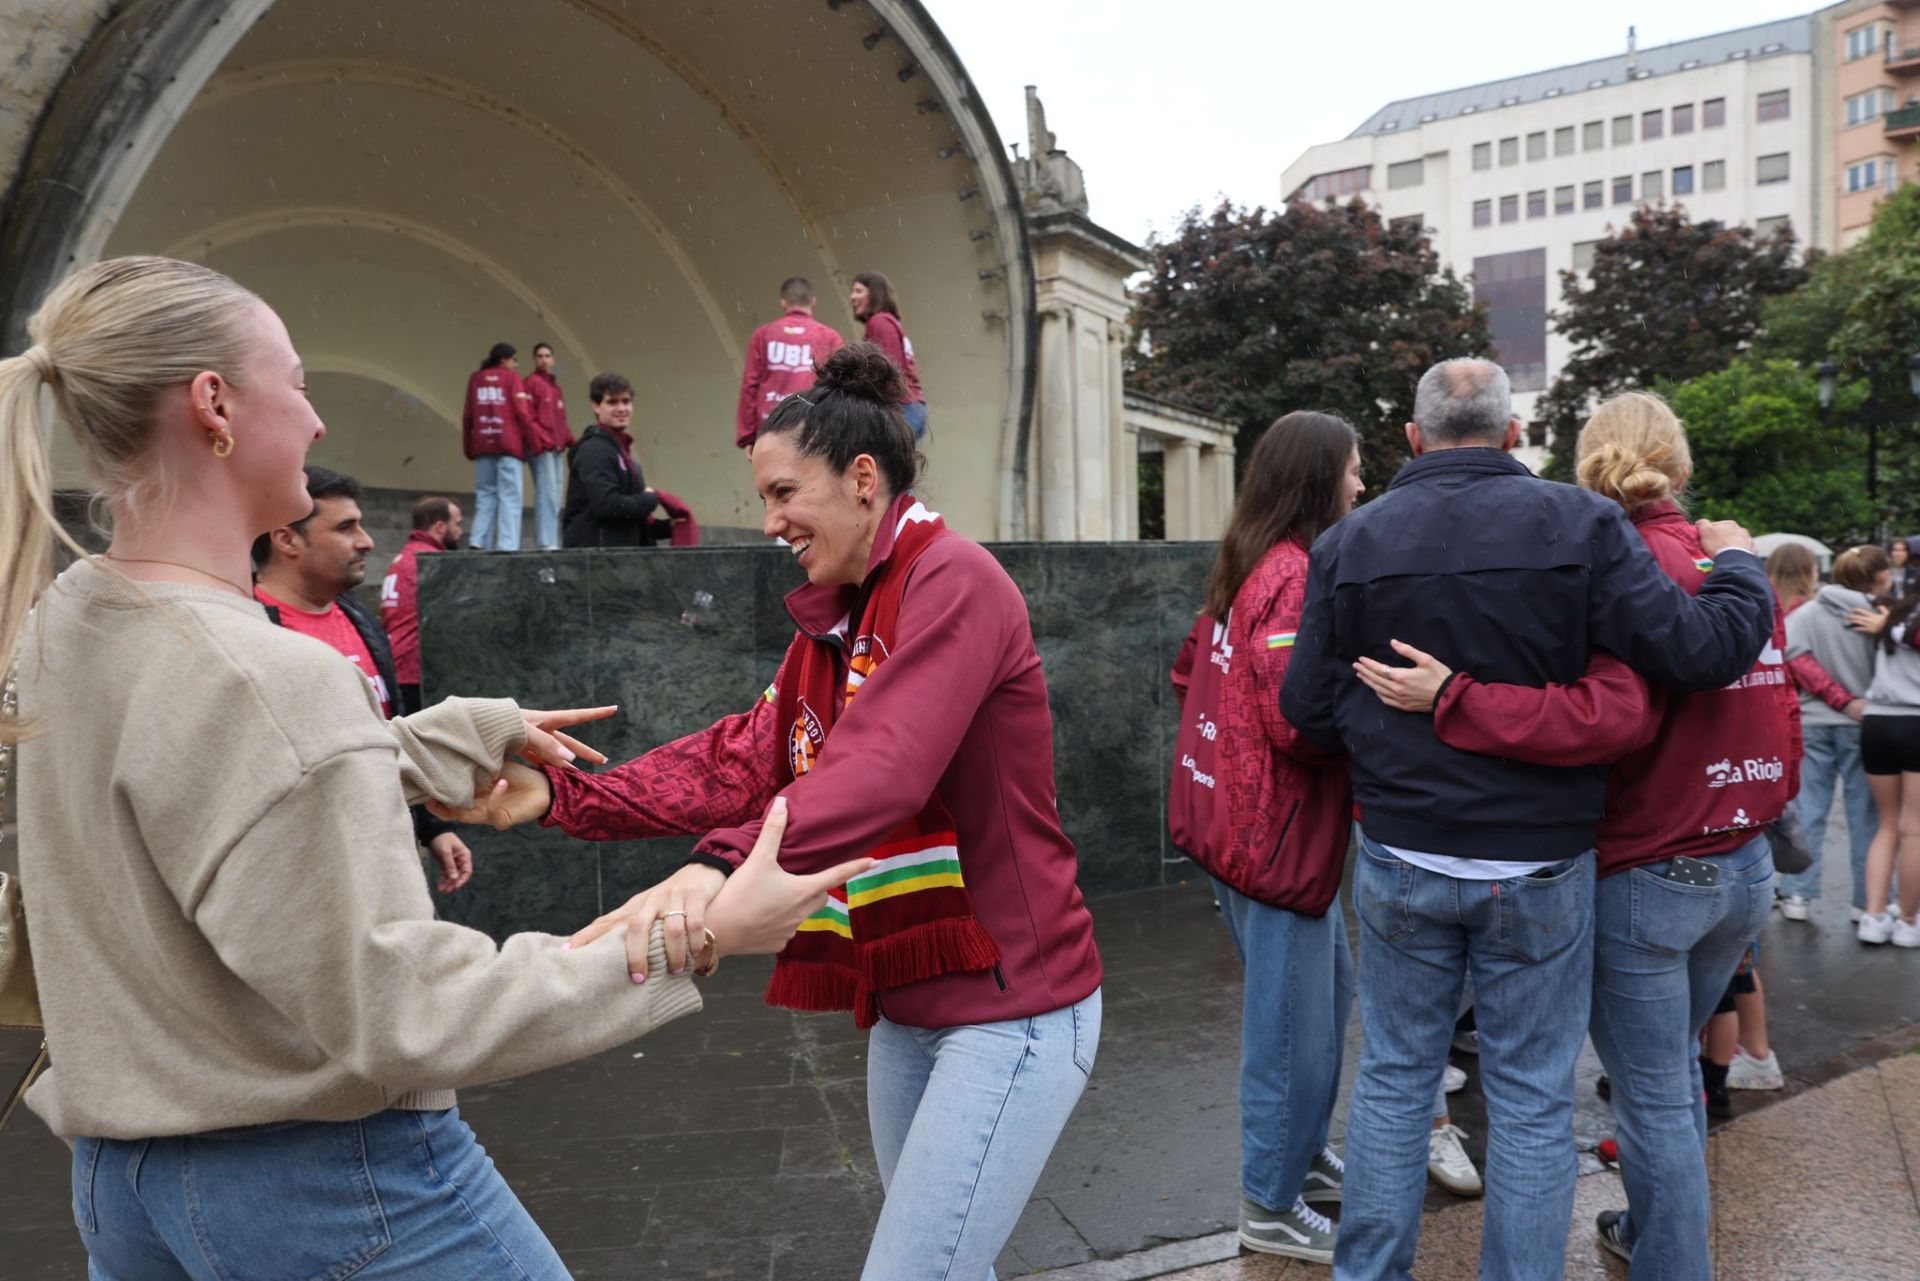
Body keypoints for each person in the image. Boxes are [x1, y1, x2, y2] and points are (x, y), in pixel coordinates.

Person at [2, 255, 868, 1278]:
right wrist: (697, 937)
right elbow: (406, 1011)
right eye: (298, 383)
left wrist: (433, 743)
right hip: (329, 1187)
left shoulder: (62, 623)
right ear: (215, 406)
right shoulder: (272, 677)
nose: (317, 420)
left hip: (121, 1180)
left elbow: (179, 795)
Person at [446, 344, 1103, 1280]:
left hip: (1015, 1005)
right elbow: (746, 753)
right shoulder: (837, 618)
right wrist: (564, 793)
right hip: (909, 1003)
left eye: (785, 492)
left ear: (863, 479)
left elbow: (879, 767)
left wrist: (715, 865)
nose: (770, 522)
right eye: (763, 497)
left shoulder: (954, 579)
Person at [1280, 360, 1774, 1281]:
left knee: (1394, 1080)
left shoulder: (1350, 540)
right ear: (1512, 434)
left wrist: (1393, 736)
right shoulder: (1582, 523)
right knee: (1532, 1098)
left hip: (1403, 849)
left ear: (1414, 438)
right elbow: (1698, 651)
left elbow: (1305, 711)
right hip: (1541, 857)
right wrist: (1741, 566)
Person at [1169, 412, 1362, 1263]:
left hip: (1248, 830)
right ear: (1318, 478)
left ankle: (1302, 1153)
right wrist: (1373, 703)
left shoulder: (1246, 559)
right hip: (1275, 837)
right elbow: (1297, 719)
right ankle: (1269, 1203)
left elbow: (1191, 672)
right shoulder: (1290, 574)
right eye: (1352, 468)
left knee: (1327, 1001)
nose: (1361, 483)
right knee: (1288, 1030)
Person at [252, 465, 472, 891]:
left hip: (385, 848)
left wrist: (430, 827)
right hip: (309, 870)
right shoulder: (249, 629)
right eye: (345, 527)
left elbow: (391, 733)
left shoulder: (356, 615)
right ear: (287, 540)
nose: (366, 541)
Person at [1846, 571, 1920, 946]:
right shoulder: (1898, 618)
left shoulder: (1898, 612)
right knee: (1914, 829)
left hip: (1877, 721)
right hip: (1916, 720)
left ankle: (1873, 916)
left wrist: (1889, 627)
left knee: (1888, 825)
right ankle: (1908, 921)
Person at [561, 371, 670, 548]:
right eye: (612, 402)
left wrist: (667, 527)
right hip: (596, 559)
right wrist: (649, 499)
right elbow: (608, 506)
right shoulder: (594, 450)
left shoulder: (621, 451)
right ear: (595, 406)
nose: (621, 408)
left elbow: (628, 522)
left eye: (626, 401)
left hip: (616, 557)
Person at [735, 275, 843, 450]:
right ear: (813, 302)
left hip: (771, 426)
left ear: (783, 303)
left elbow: (750, 385)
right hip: (813, 427)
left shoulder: (763, 335)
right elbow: (839, 386)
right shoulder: (830, 337)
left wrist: (747, 437)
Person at [382, 495, 464, 716]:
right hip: (417, 671)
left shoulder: (405, 556)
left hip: (399, 664)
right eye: (457, 524)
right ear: (440, 526)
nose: (460, 532)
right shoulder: (432, 562)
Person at [461, 341, 534, 551]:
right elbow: (522, 413)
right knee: (510, 497)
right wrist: (532, 443)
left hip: (483, 446)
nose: (516, 365)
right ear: (504, 360)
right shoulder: (511, 378)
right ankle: (507, 545)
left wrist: (469, 447)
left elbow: (468, 415)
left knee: (485, 495)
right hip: (508, 446)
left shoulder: (476, 379)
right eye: (514, 360)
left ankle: (478, 540)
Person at [851, 271, 927, 438]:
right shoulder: (888, 321)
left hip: (901, 409)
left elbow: (888, 369)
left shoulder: (879, 322)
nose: (852, 297)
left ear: (874, 293)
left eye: (858, 291)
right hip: (911, 407)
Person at [523, 341, 574, 551]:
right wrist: (541, 440)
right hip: (543, 447)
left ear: (553, 359)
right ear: (534, 359)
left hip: (556, 447)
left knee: (555, 494)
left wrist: (571, 441)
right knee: (547, 493)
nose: (544, 360)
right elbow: (528, 416)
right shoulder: (531, 383)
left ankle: (550, 539)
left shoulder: (555, 388)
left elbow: (561, 420)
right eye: (540, 356)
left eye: (547, 356)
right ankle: (545, 540)